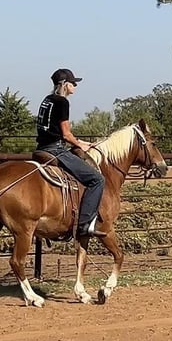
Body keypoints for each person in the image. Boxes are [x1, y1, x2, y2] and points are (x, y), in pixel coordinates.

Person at [35, 68, 106, 238]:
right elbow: (66, 134)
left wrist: (80, 142)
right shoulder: (63, 102)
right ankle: (85, 225)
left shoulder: (47, 100)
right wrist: (81, 145)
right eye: (73, 83)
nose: (75, 85)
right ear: (65, 85)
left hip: (41, 148)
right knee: (97, 179)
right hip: (55, 149)